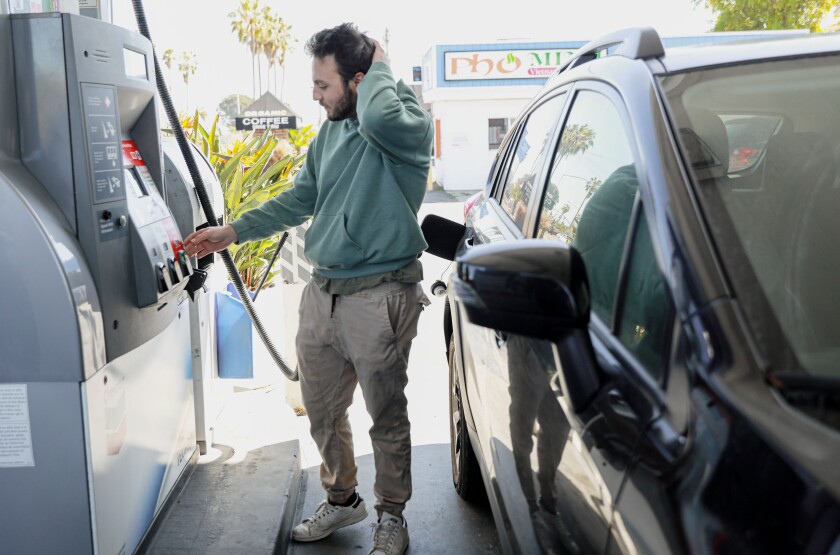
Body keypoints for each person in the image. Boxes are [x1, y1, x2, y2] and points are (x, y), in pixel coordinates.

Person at [183, 22, 432, 555]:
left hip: (380, 294)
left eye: (324, 86)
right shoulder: (331, 133)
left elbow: (382, 112)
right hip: (324, 294)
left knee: (386, 415)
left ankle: (392, 517)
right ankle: (343, 502)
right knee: (320, 410)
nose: (315, 96)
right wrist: (233, 230)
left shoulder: (404, 125)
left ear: (361, 81)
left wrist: (383, 64)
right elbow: (299, 199)